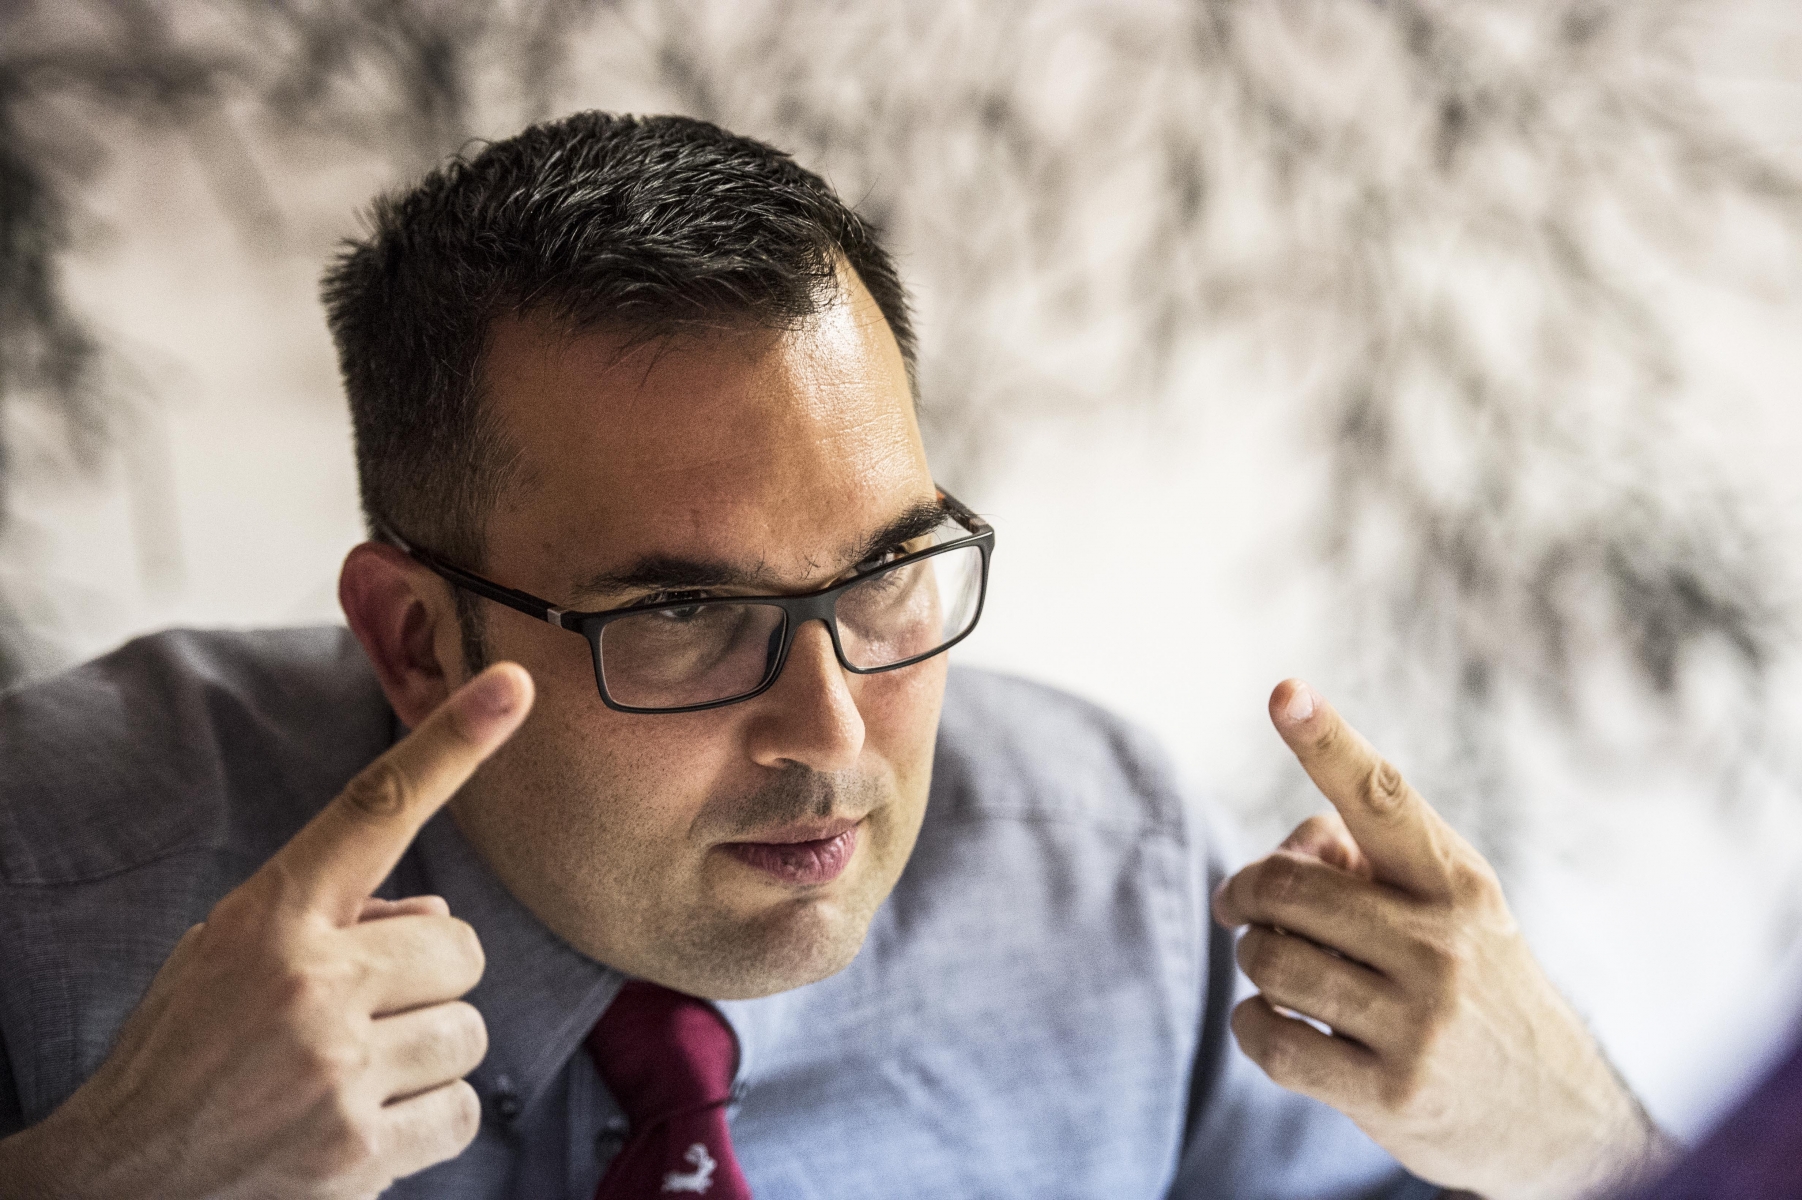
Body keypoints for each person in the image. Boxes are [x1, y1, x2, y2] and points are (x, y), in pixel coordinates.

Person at [0, 112, 1668, 1199]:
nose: (831, 733)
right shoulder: (53, 877)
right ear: (417, 640)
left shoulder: (1101, 861)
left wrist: (1579, 1146)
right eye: (679, 617)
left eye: (884, 579)